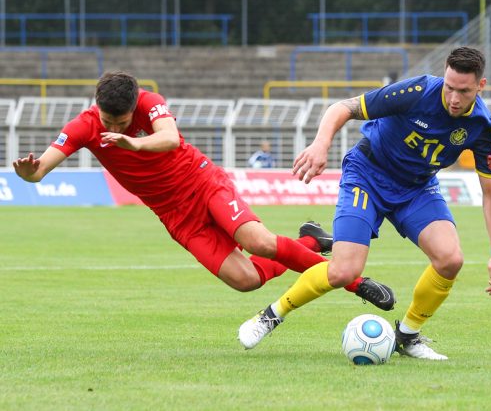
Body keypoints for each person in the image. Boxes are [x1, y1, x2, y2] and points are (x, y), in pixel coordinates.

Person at [12, 71, 395, 309]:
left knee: (259, 242)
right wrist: (30, 173)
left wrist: (133, 142)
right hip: (175, 215)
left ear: (134, 105)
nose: (113, 127)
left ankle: (355, 283)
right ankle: (310, 241)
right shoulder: (84, 125)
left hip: (201, 182)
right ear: (96, 106)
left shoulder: (150, 103)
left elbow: (169, 138)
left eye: (122, 121)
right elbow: (40, 169)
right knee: (245, 281)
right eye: (107, 119)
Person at [238, 47, 491, 360]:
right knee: (343, 271)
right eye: (449, 87)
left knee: (450, 259)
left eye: (464, 91)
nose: (454, 98)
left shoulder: (483, 127)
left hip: (416, 188)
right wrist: (321, 144)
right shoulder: (417, 91)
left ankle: (408, 335)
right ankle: (270, 315)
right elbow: (344, 107)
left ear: (481, 86)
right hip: (368, 174)